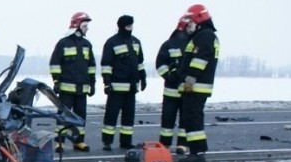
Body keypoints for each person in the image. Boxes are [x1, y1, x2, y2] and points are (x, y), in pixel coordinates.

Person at [175, 4, 220, 162]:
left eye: (190, 20)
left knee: (193, 119)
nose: (188, 24)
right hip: (196, 87)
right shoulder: (203, 35)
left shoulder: (204, 35)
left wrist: (189, 80)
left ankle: (197, 153)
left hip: (196, 87)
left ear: (198, 19)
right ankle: (197, 151)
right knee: (192, 119)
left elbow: (200, 60)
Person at [49, 11, 97, 152]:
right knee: (63, 117)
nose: (87, 28)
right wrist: (56, 81)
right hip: (66, 89)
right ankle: (60, 142)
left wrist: (92, 83)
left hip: (82, 89)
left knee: (81, 117)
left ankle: (78, 141)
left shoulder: (87, 45)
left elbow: (91, 66)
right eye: (85, 25)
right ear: (77, 25)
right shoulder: (63, 43)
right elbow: (55, 63)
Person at [100, 15, 146, 151]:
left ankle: (126, 142)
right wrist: (107, 83)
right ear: (121, 26)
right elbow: (106, 65)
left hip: (132, 88)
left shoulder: (136, 42)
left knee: (129, 117)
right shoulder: (112, 42)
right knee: (111, 115)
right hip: (116, 87)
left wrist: (143, 78)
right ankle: (107, 142)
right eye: (128, 26)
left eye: (131, 26)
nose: (130, 28)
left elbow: (140, 63)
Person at [155, 16, 191, 154]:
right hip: (171, 90)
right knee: (167, 119)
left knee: (185, 119)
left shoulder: (194, 44)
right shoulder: (169, 44)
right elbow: (160, 64)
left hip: (187, 90)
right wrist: (169, 76)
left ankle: (182, 144)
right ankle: (164, 144)